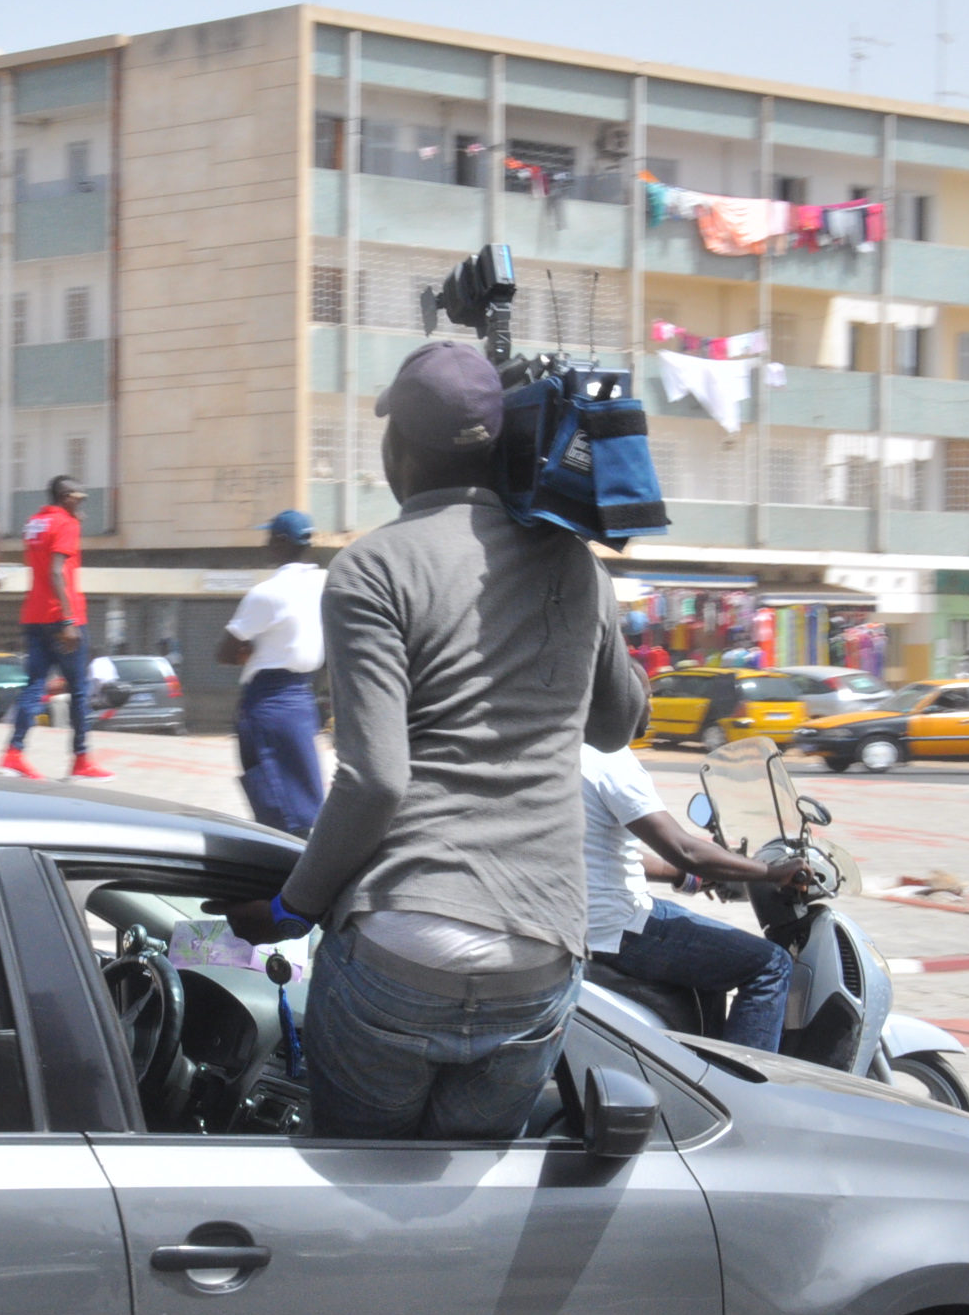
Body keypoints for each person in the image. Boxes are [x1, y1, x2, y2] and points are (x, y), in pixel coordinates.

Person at [217, 340, 648, 1141]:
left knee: (364, 1186)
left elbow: (377, 779)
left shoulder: (374, 567)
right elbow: (618, 726)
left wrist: (292, 907)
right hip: (542, 951)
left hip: (403, 940)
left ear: (397, 450)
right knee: (463, 1202)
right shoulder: (574, 564)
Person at [579, 744, 800, 1051]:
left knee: (716, 959)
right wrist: (772, 872)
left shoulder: (564, 751)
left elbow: (606, 852)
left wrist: (688, 878)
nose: (650, 706)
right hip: (616, 925)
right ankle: (745, 1090)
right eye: (647, 694)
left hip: (582, 918)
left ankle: (702, 1067)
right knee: (770, 963)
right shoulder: (609, 759)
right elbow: (686, 850)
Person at [218, 509, 326, 836]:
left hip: (269, 702)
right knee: (306, 802)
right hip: (303, 699)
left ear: (279, 542)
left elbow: (223, 652)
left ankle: (282, 879)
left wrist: (248, 650)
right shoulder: (324, 584)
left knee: (278, 811)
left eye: (270, 538)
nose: (266, 544)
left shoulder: (268, 593)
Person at [0, 475, 112, 782]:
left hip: (34, 616)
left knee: (35, 685)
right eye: (80, 498)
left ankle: (13, 754)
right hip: (62, 619)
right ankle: (81, 760)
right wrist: (68, 620)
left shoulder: (33, 523)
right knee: (78, 690)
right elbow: (56, 572)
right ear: (67, 498)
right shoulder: (66, 524)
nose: (83, 504)